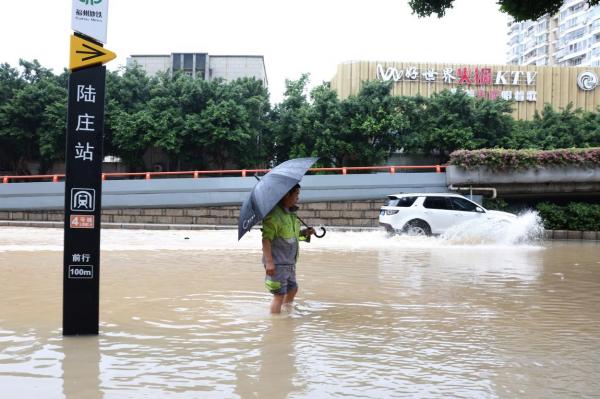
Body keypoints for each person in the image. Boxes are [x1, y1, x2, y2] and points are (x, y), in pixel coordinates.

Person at [261, 184, 315, 314]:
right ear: (286, 195)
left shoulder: (291, 215)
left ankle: (287, 312)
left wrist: (304, 233)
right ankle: (276, 323)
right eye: (296, 194)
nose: (298, 197)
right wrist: (269, 262)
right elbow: (266, 240)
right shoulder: (273, 216)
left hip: (290, 263)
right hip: (277, 264)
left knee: (293, 289)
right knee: (279, 294)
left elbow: (292, 236)